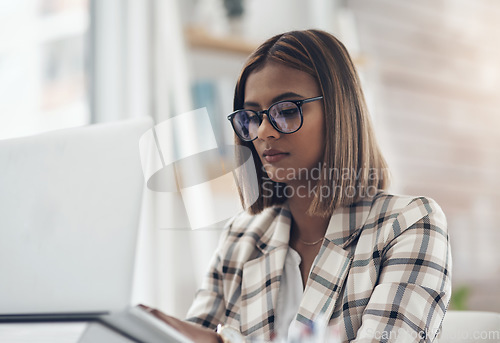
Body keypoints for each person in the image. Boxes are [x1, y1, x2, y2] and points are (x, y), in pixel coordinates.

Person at [141, 29, 452, 343]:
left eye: (286, 111)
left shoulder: (409, 223)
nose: (264, 131)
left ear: (339, 111)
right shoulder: (243, 237)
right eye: (251, 117)